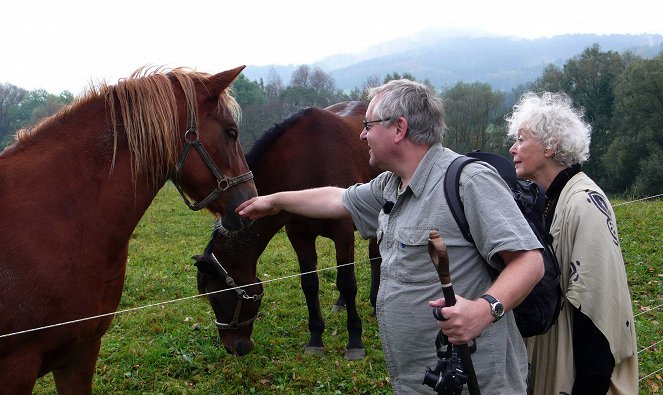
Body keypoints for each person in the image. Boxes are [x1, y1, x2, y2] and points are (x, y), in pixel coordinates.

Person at [237, 79, 544, 394]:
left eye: (368, 125)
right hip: (418, 379)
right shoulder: (390, 186)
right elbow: (336, 199)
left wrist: (484, 309)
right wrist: (274, 201)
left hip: (476, 379)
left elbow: (529, 261)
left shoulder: (469, 181)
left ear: (399, 129)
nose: (362, 134)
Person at [506, 91, 639, 395]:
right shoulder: (549, 200)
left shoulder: (584, 204)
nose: (513, 149)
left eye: (522, 140)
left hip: (583, 379)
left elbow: (597, 309)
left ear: (551, 145)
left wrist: (588, 387)